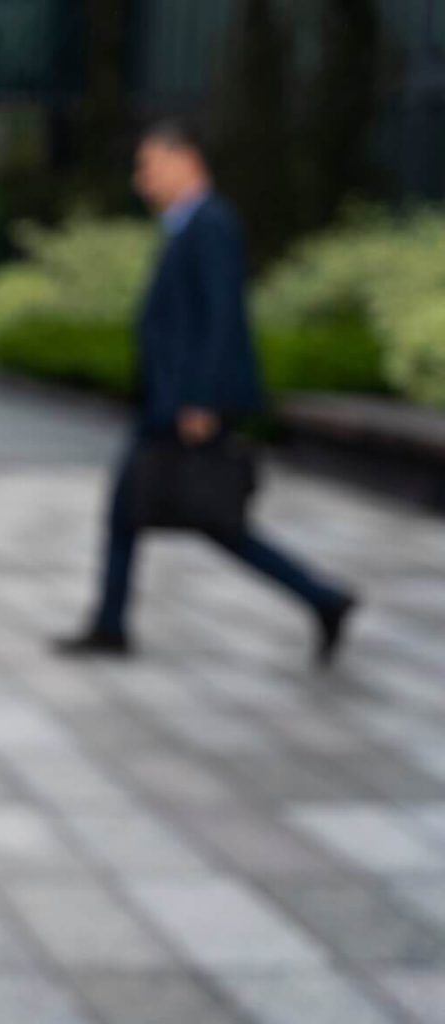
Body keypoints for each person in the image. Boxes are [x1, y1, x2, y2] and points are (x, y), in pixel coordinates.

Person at [57, 119, 357, 663]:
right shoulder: (187, 225)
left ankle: (323, 598)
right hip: (169, 402)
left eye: (149, 166)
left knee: (216, 523)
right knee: (137, 514)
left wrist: (202, 400)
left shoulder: (211, 224)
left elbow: (222, 318)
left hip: (188, 406)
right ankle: (110, 624)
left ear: (186, 160)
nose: (142, 180)